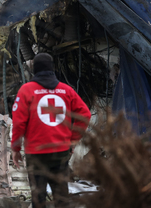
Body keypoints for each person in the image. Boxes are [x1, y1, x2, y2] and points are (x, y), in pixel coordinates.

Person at [11, 53, 91, 208]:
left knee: (38, 197)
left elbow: (19, 123)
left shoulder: (26, 90)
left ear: (34, 69)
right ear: (52, 68)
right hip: (61, 151)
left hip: (35, 153)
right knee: (61, 197)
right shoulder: (66, 90)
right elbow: (85, 114)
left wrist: (15, 148)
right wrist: (73, 140)